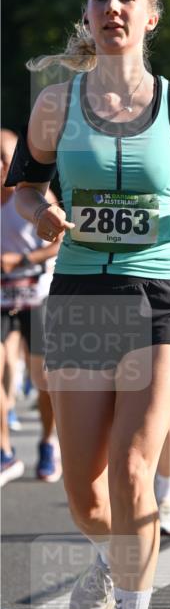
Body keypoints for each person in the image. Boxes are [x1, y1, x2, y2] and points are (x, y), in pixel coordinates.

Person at [9, 0, 170, 609]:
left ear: (150, 16)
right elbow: (24, 186)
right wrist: (40, 211)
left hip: (159, 290)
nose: (113, 8)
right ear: (88, 13)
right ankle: (108, 557)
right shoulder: (55, 104)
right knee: (84, 489)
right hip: (80, 293)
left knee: (134, 465)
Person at [1, 128, 61, 483]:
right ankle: (5, 451)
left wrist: (21, 260)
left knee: (43, 379)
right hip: (2, 300)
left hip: (37, 295)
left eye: (4, 157)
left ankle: (47, 442)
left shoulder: (31, 195)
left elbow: (60, 239)